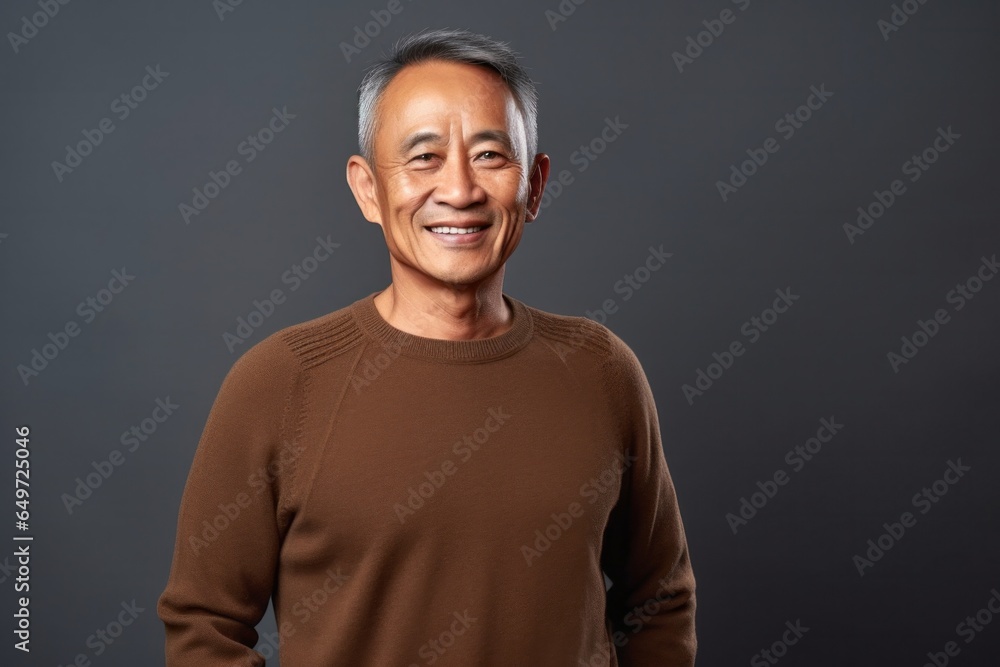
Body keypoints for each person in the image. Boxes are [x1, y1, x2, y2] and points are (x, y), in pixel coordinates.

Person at [157, 27, 696, 666]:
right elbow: (203, 627)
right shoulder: (281, 382)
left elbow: (658, 601)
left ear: (536, 184)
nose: (461, 190)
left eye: (491, 155)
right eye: (423, 157)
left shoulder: (601, 370)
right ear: (367, 190)